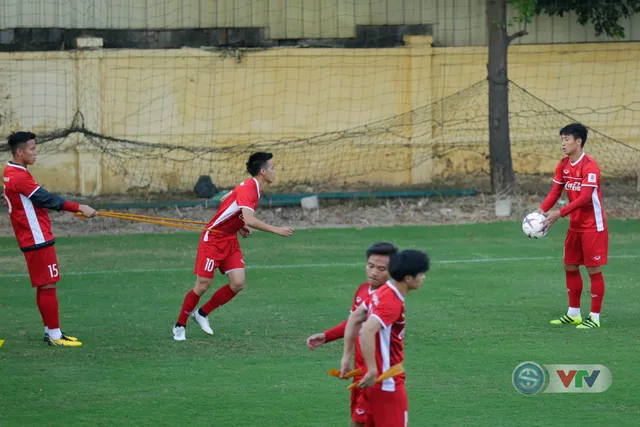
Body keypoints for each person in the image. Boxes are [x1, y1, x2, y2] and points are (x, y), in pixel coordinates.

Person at [173, 152, 294, 341]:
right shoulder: (249, 188)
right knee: (203, 285)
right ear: (263, 171)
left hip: (229, 239)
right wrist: (275, 229)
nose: (275, 171)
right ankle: (179, 325)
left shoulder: (253, 187)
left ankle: (202, 314)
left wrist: (240, 226)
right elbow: (249, 217)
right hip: (213, 239)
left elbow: (227, 201)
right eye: (272, 168)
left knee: (238, 283)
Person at [3, 131, 97, 346]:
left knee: (44, 284)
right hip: (36, 237)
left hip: (31, 236)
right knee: (48, 284)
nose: (36, 153)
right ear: (19, 152)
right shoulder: (19, 176)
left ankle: (50, 332)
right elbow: (45, 199)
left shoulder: (11, 171)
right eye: (32, 149)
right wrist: (79, 207)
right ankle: (55, 336)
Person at [306, 242, 398, 427]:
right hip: (360, 371)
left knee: (360, 423)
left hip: (379, 374)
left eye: (382, 269)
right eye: (370, 266)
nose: (374, 272)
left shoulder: (389, 299)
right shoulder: (363, 290)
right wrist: (327, 336)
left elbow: (368, 329)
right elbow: (354, 322)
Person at [340, 250, 430, 427]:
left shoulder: (382, 291)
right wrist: (373, 370)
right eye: (421, 274)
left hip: (372, 384)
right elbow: (366, 331)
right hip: (387, 383)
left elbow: (355, 318)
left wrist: (346, 356)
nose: (423, 278)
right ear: (408, 278)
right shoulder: (392, 302)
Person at [539, 123, 607, 329]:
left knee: (593, 270)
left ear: (579, 141)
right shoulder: (563, 165)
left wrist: (559, 213)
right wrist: (540, 213)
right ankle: (574, 313)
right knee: (570, 266)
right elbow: (555, 192)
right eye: (562, 139)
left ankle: (594, 317)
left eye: (567, 139)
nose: (563, 143)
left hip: (592, 227)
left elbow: (586, 197)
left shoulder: (590, 166)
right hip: (575, 225)